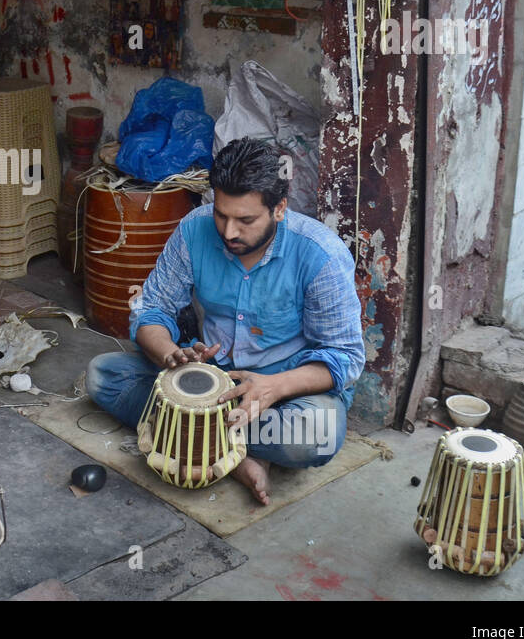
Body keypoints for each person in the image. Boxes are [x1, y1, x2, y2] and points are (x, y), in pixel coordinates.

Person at [85, 137, 364, 505]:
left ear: (279, 209)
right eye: (222, 214)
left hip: (288, 389)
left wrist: (273, 388)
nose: (229, 232)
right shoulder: (194, 229)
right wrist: (171, 355)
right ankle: (239, 456)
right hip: (214, 380)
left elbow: (345, 358)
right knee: (103, 377)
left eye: (245, 220)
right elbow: (152, 309)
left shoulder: (320, 255)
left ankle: (198, 438)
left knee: (316, 435)